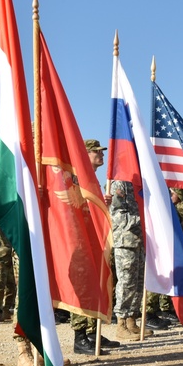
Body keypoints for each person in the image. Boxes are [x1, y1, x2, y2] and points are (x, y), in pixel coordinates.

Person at [70, 139, 120, 354]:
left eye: (102, 152)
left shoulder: (93, 179)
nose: (101, 155)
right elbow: (72, 207)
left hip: (94, 239)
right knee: (83, 286)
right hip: (79, 240)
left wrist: (101, 204)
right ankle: (80, 337)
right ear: (85, 154)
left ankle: (92, 332)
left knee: (95, 284)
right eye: (96, 152)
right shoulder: (75, 177)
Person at [104, 175, 151, 340]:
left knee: (137, 281)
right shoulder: (119, 183)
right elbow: (116, 213)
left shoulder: (136, 184)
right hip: (125, 239)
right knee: (126, 281)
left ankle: (132, 319)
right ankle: (121, 324)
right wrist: (142, 221)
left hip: (138, 240)